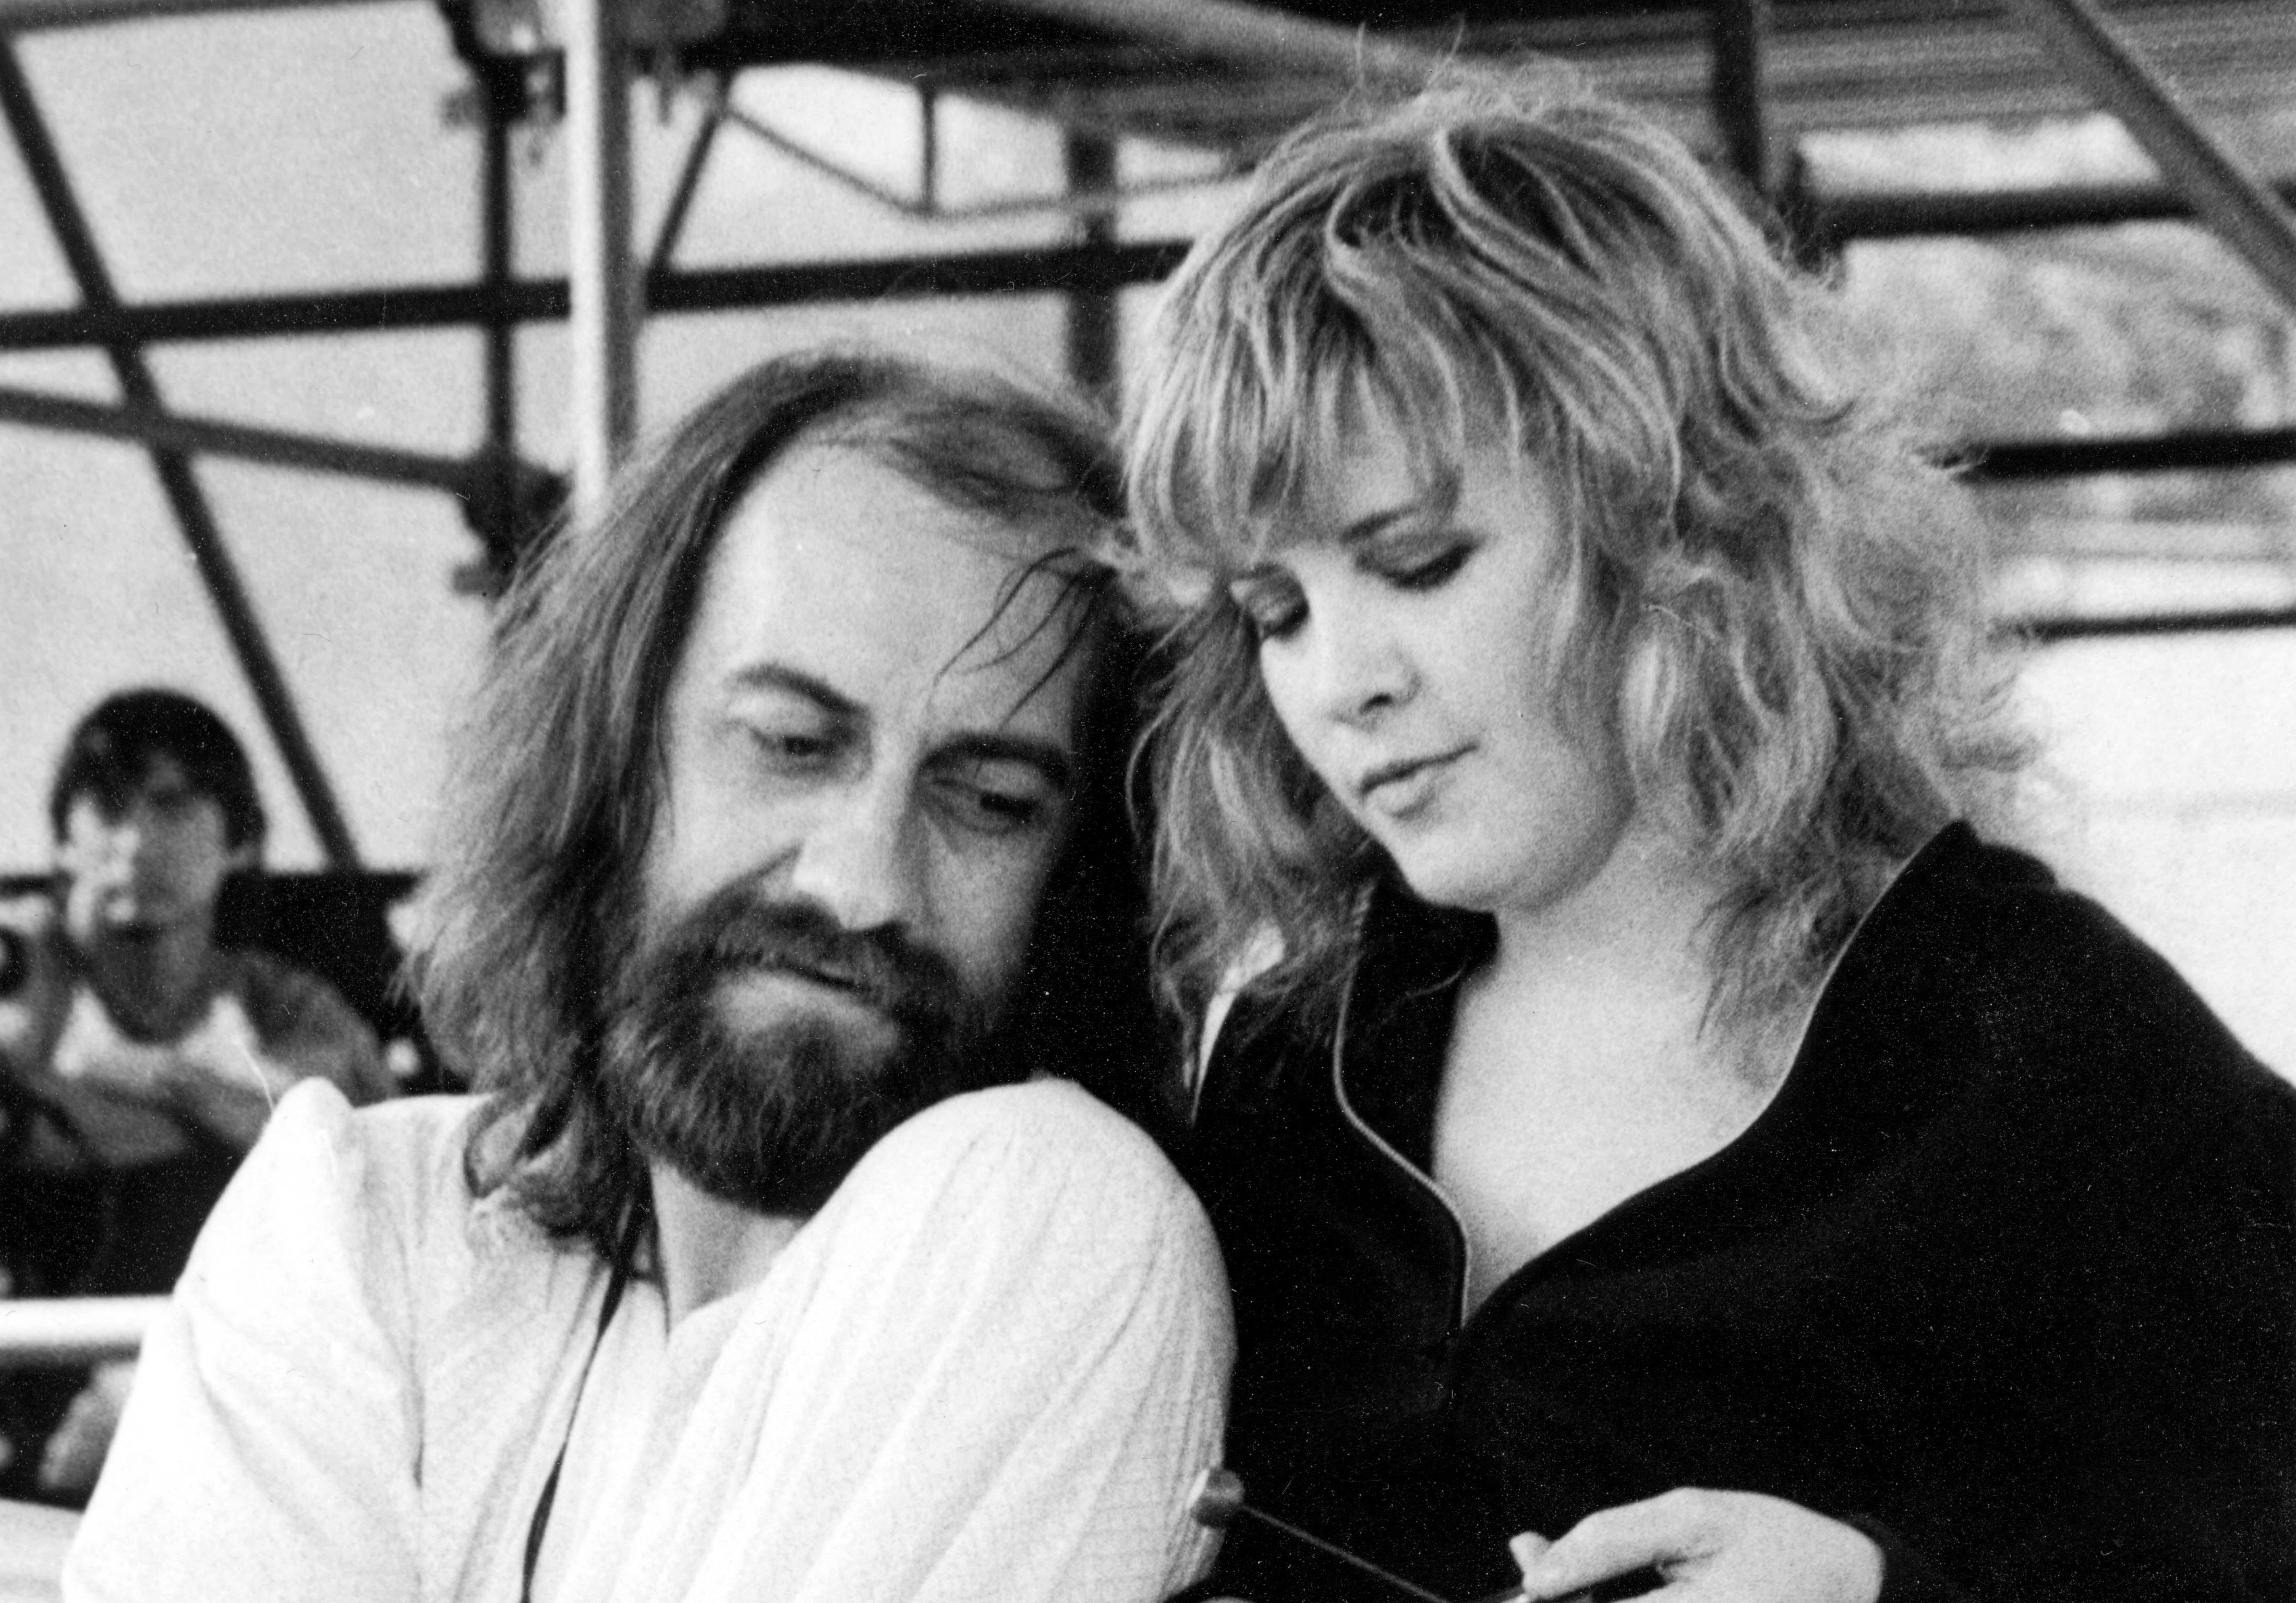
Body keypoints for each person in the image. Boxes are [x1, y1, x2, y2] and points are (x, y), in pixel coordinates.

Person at [1117, 74, 2296, 1603]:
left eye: (1418, 560)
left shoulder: (2062, 1061)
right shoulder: (1290, 1068)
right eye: (1273, 609)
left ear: (1679, 518)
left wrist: (1878, 1595)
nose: (1341, 681)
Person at [65, 351, 1230, 1603]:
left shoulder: (1065, 1223)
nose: (859, 881)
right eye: (791, 742)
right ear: (616, 754)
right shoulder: (361, 1219)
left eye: (990, 799)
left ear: (1086, 871)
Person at [0, 688, 394, 1497]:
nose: (134, 839)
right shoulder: (23, 978)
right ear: (64, 837)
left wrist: (125, 1078)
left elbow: (346, 1141)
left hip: (225, 1398)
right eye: (107, 808)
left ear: (238, 838)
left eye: (171, 806)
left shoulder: (278, 1003)